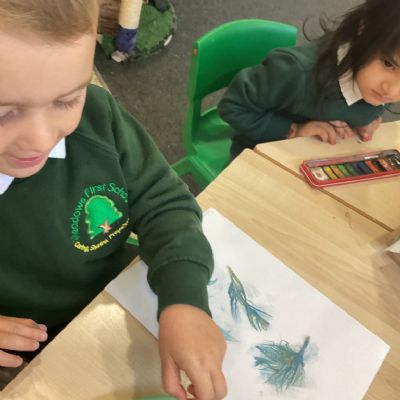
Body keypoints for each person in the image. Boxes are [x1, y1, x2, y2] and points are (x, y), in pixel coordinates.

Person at [0, 1, 227, 399]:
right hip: (25, 359)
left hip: (116, 305)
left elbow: (164, 202)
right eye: (3, 114)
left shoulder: (98, 119)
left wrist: (185, 299)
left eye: (66, 100)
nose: (41, 139)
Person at [218, 0, 400, 159]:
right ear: (364, 30)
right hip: (260, 158)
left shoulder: (379, 88)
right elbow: (233, 106)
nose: (391, 91)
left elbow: (365, 110)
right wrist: (294, 130)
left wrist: (366, 121)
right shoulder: (296, 72)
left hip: (319, 158)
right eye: (388, 64)